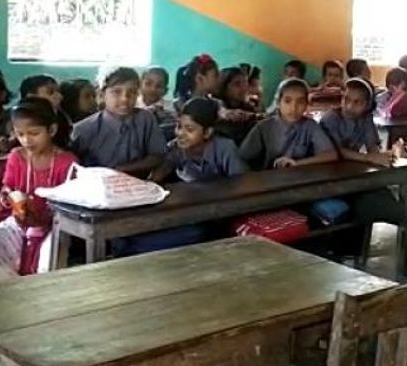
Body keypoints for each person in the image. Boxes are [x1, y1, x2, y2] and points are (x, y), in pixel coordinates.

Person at [0, 97, 78, 285]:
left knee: (48, 262)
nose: (26, 140)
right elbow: (6, 188)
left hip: (55, 227)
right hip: (18, 223)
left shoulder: (67, 162)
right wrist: (13, 198)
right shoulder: (16, 157)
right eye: (20, 134)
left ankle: (36, 298)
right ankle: (5, 296)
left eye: (34, 133)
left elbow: (72, 202)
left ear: (51, 130)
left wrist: (44, 214)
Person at [116, 98, 250, 256]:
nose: (180, 133)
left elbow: (242, 185)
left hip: (219, 214)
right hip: (191, 211)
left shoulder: (225, 148)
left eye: (189, 129)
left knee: (194, 233)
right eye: (179, 126)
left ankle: (129, 249)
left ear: (207, 132)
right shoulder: (176, 148)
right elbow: (156, 178)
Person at [319, 78, 407, 226]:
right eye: (346, 99)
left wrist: (382, 157)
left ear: (367, 105)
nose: (349, 106)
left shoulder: (366, 119)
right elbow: (337, 151)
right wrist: (368, 158)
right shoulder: (331, 118)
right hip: (326, 170)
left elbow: (372, 147)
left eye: (357, 102)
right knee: (357, 204)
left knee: (383, 199)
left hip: (350, 169)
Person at [70, 67, 167, 177]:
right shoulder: (83, 129)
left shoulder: (146, 119)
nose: (124, 98)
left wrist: (122, 169)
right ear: (102, 95)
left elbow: (158, 156)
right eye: (116, 92)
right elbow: (72, 167)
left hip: (138, 183)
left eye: (132, 92)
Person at [239, 78, 338, 170]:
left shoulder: (310, 126)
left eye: (300, 102)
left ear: (307, 105)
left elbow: (331, 155)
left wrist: (297, 163)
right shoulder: (263, 127)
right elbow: (242, 158)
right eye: (287, 101)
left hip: (300, 177)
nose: (294, 108)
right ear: (278, 103)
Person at [19, 74, 71, 150]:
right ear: (32, 97)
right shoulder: (18, 119)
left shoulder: (62, 117)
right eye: (50, 92)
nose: (59, 96)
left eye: (58, 92)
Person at [215, 66, 263, 145]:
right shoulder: (218, 110)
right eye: (237, 84)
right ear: (224, 87)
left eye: (245, 82)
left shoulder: (250, 107)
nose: (244, 88)